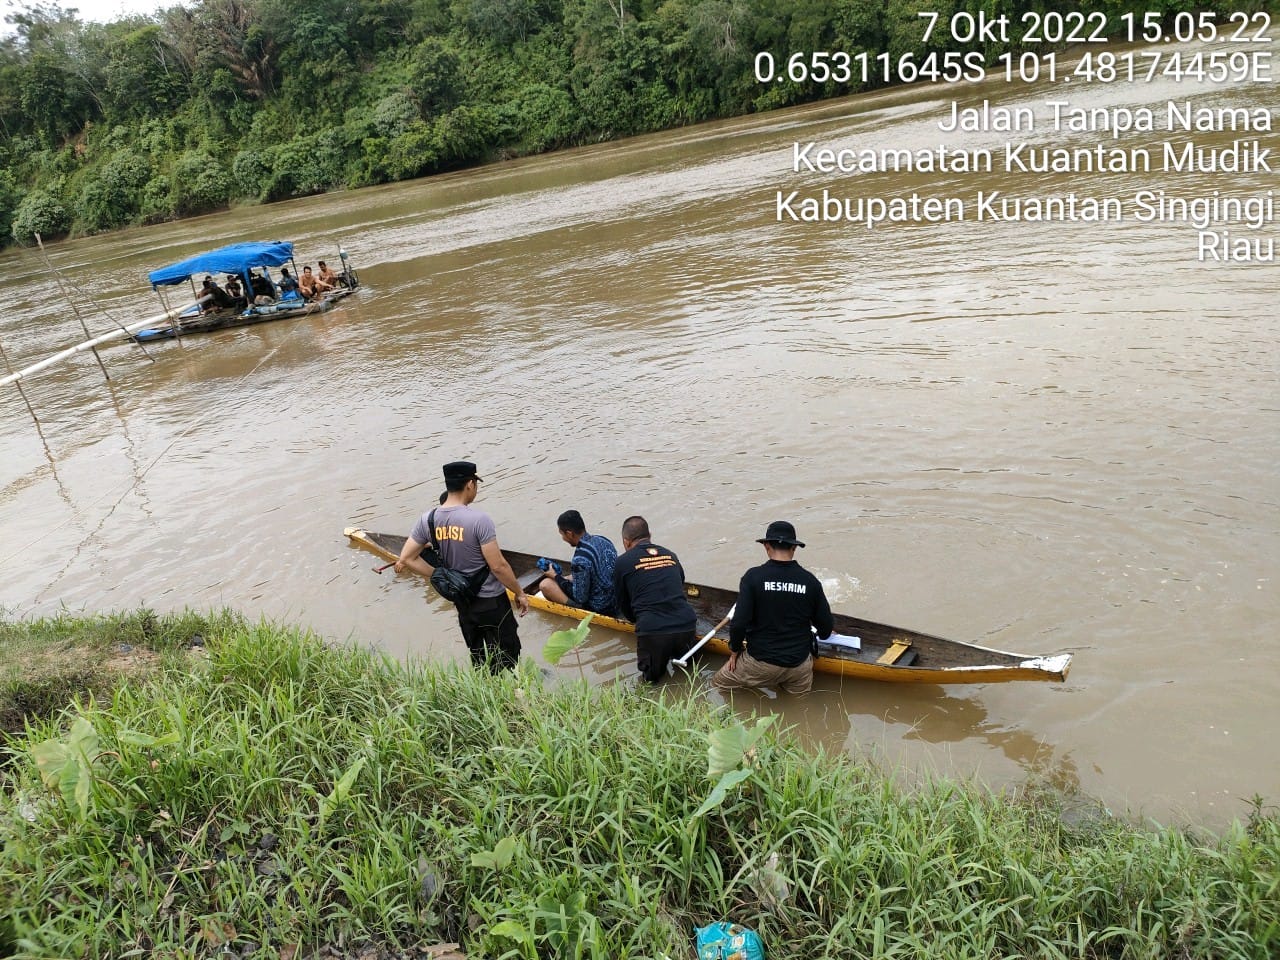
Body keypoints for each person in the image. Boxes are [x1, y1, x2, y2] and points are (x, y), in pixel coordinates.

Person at [395, 461, 530, 672]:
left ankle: (482, 695)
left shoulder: (427, 520)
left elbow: (407, 558)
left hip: (463, 603)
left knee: (478, 655)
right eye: (476, 483)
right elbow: (498, 566)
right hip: (491, 602)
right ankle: (509, 697)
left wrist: (441, 575)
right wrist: (520, 592)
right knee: (508, 655)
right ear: (469, 484)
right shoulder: (479, 520)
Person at [712, 521, 834, 696]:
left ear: (766, 546)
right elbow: (825, 630)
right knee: (799, 707)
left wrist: (735, 650)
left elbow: (739, 623)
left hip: (760, 663)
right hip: (799, 665)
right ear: (794, 548)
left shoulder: (753, 578)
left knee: (718, 686)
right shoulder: (810, 581)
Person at [612, 516, 697, 683]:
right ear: (649, 534)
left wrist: (639, 620)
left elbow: (623, 603)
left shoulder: (622, 562)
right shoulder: (670, 555)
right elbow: (680, 584)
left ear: (626, 541)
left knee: (651, 682)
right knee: (690, 676)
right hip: (686, 625)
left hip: (653, 631)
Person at [537, 510, 618, 616]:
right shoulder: (603, 540)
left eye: (562, 534)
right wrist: (566, 578)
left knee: (545, 585)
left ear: (569, 534)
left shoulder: (579, 559)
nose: (563, 538)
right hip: (617, 599)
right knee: (570, 577)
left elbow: (580, 597)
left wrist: (556, 576)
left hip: (601, 607)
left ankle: (577, 610)